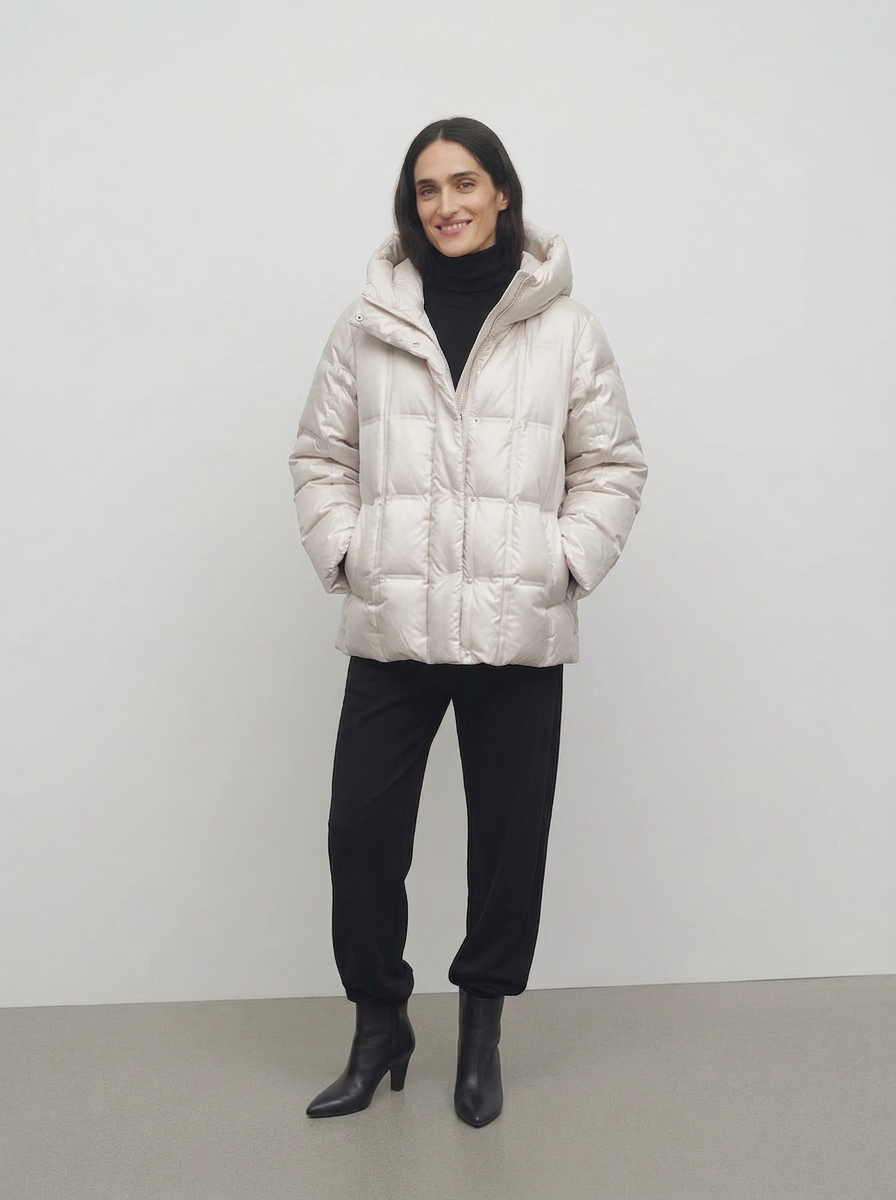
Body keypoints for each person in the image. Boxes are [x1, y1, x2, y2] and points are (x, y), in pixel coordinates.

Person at [288, 117, 647, 1127]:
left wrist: (560, 564)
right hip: (394, 625)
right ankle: (379, 1027)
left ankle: (480, 1033)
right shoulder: (368, 324)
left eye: (464, 183)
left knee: (506, 846)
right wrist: (351, 554)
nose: (446, 204)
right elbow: (319, 456)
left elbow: (612, 464)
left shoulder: (565, 330)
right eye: (427, 188)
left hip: (513, 629)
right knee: (360, 837)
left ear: (501, 193)